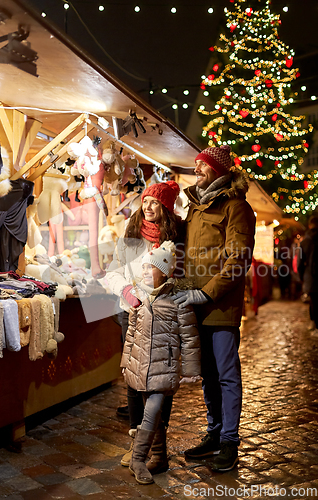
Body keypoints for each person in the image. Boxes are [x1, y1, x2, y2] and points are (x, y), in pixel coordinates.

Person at [173, 144, 256, 472]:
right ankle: (213, 433)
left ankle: (229, 441)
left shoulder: (236, 207)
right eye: (196, 164)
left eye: (203, 165)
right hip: (194, 304)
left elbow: (238, 260)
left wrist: (206, 294)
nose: (196, 170)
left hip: (220, 307)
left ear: (218, 170)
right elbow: (186, 252)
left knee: (225, 374)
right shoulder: (195, 206)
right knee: (207, 374)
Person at [105, 180, 184, 470]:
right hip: (132, 314)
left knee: (160, 380)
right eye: (146, 201)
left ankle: (156, 447)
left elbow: (181, 278)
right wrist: (127, 292)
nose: (149, 207)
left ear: (165, 208)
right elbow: (113, 271)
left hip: (162, 315)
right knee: (134, 379)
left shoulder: (175, 239)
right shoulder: (129, 235)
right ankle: (137, 441)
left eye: (155, 203)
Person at [121, 241, 201, 485]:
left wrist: (190, 370)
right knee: (152, 417)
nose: (145, 272)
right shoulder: (139, 298)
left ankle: (138, 458)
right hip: (140, 368)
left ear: (164, 273)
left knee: (154, 409)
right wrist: (126, 362)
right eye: (143, 268)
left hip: (163, 368)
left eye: (150, 268)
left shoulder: (177, 301)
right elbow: (131, 333)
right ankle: (160, 457)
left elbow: (189, 337)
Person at [298, 215, 318, 337]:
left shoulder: (305, 241)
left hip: (310, 277)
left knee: (313, 301)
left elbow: (300, 262)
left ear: (310, 225)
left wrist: (302, 277)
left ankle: (314, 323)